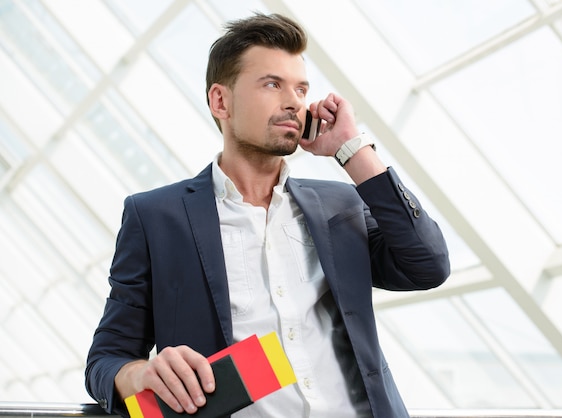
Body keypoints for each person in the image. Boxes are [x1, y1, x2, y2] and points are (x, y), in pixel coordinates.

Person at [85, 12, 450, 418]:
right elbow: (108, 358)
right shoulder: (155, 217)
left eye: (301, 88)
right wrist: (140, 376)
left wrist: (352, 149)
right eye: (272, 84)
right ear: (220, 101)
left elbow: (428, 266)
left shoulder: (340, 205)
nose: (294, 100)